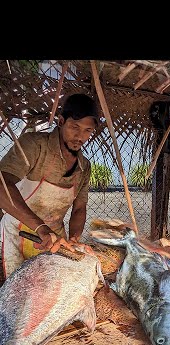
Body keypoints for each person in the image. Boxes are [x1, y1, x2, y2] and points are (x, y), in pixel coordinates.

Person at [0, 93, 99, 278]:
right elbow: (2, 185)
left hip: (54, 238)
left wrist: (74, 239)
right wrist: (40, 228)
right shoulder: (35, 145)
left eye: (87, 130)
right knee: (18, 289)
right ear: (61, 121)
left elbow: (79, 208)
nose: (80, 136)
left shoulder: (84, 166)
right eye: (74, 127)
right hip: (20, 232)